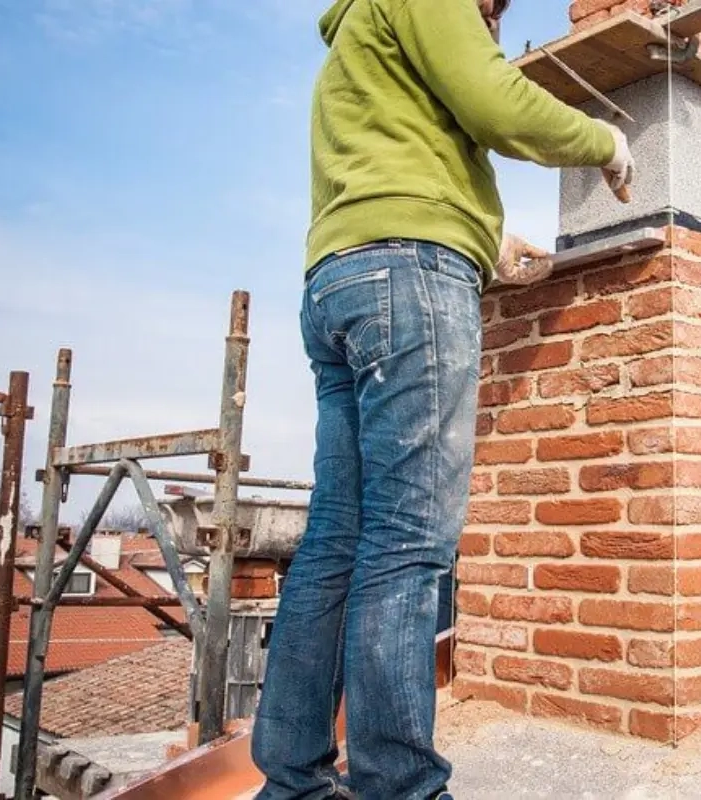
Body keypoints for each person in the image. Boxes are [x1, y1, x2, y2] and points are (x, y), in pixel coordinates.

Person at [251, 0, 635, 798]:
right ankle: (402, 789)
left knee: (336, 539)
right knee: (407, 544)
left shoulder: (355, 36)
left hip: (338, 283)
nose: (489, 21)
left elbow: (401, 164)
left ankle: (292, 782)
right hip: (407, 279)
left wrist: (483, 244)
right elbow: (496, 101)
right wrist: (605, 140)